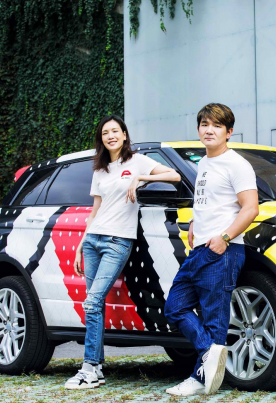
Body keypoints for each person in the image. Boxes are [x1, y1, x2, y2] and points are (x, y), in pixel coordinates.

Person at [64, 115, 181, 389]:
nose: (111, 136)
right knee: (95, 304)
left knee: (92, 302)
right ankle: (96, 368)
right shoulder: (100, 170)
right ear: (101, 139)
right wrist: (81, 243)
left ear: (125, 135)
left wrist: (140, 178)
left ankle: (89, 368)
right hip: (93, 240)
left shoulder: (137, 161)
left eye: (115, 131)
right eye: (105, 132)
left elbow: (174, 176)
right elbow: (95, 210)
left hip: (118, 241)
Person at [164, 103, 259, 396]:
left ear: (228, 132)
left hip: (222, 251)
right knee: (175, 307)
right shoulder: (204, 162)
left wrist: (225, 238)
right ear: (198, 129)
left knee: (213, 319)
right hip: (201, 249)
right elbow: (213, 201)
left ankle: (201, 379)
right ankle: (209, 354)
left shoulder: (237, 164)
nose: (209, 130)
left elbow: (251, 208)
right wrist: (196, 220)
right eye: (205, 124)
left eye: (217, 125)